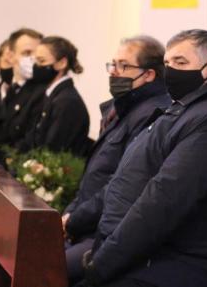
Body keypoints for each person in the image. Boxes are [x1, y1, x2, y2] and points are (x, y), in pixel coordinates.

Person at [80, 29, 207, 287]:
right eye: (168, 63)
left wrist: (104, 262)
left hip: (184, 261)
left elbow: (164, 200)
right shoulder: (186, 108)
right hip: (149, 253)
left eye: (181, 62)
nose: (171, 70)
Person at [64, 35, 171, 285]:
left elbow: (121, 182)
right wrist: (70, 213)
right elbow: (95, 173)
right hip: (86, 224)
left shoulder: (152, 114)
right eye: (113, 64)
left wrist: (74, 220)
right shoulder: (122, 108)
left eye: (123, 66)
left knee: (41, 268)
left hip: (106, 233)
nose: (114, 72)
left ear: (149, 75)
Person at [15, 36, 91, 155]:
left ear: (62, 63)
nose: (36, 67)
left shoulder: (66, 101)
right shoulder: (51, 95)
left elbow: (53, 150)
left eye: (42, 61)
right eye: (36, 62)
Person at [0, 27, 47, 148]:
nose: (33, 59)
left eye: (38, 55)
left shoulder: (45, 92)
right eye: (27, 53)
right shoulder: (4, 92)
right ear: (11, 56)